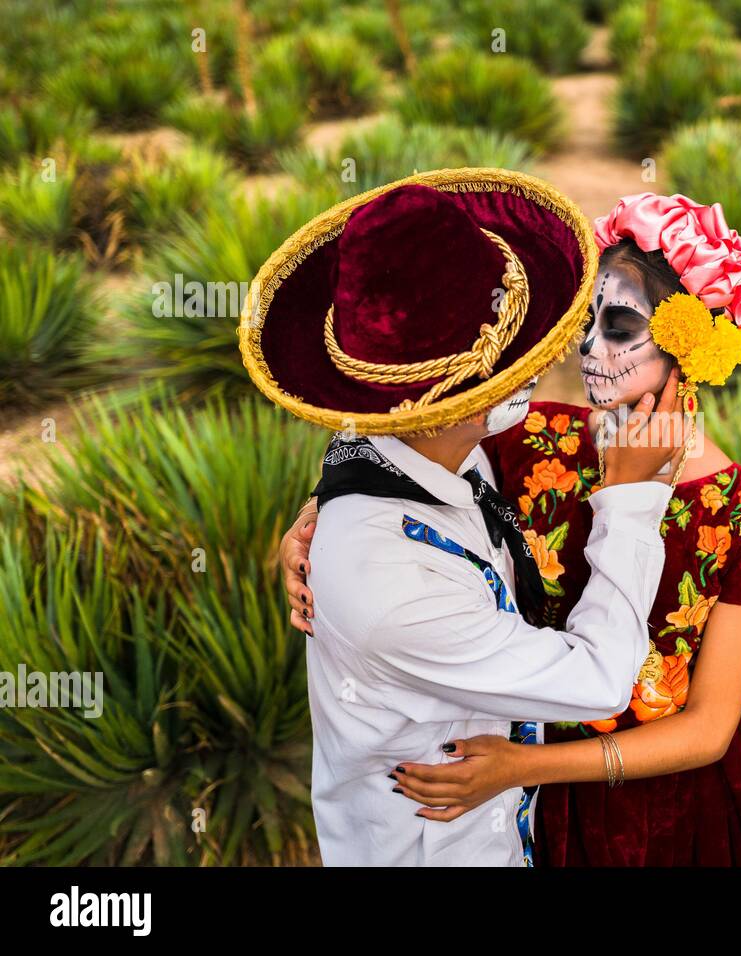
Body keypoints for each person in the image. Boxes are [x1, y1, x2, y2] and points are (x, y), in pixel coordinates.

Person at [282, 192, 741, 866]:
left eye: (619, 326)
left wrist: (527, 768)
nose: (587, 346)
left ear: (693, 349)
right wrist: (318, 517)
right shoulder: (535, 439)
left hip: (652, 811)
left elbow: (708, 729)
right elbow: (404, 456)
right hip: (515, 805)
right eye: (587, 321)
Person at [242, 170, 684, 866]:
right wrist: (631, 501)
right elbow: (600, 681)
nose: (558, 355)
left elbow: (365, 470)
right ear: (448, 406)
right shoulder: (394, 588)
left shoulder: (409, 447)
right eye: (518, 350)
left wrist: (320, 505)